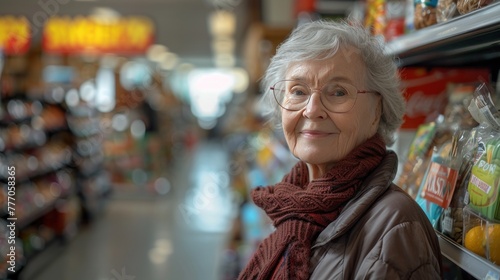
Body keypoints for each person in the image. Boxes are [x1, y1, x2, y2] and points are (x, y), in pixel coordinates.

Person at [237, 19, 443, 280]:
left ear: (376, 111)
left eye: (337, 92)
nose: (312, 109)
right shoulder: (292, 205)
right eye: (298, 91)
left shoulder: (396, 225)